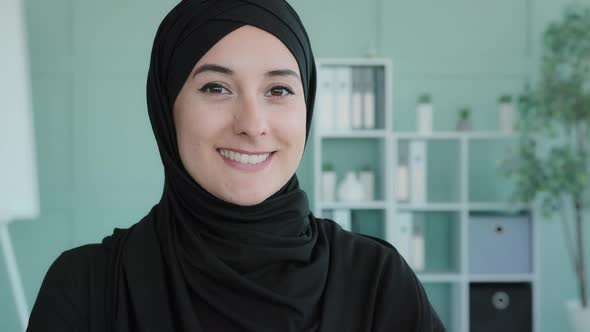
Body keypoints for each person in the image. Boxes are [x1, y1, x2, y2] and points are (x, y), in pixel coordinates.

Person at [27, 0, 446, 331]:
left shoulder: (376, 282)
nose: (252, 124)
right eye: (216, 87)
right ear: (165, 107)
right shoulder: (87, 288)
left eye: (279, 89)